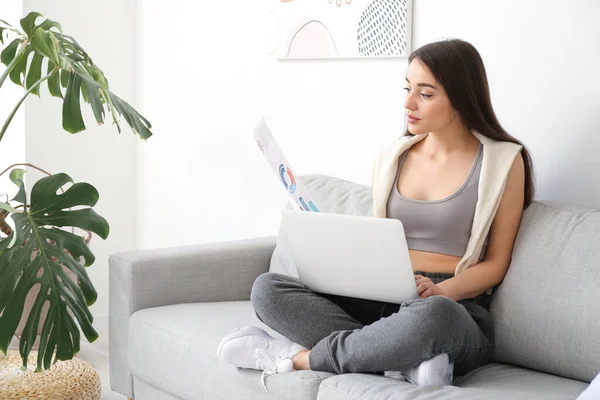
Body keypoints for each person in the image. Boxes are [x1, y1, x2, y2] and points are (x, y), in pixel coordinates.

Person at [217, 39, 535, 392]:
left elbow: (496, 263)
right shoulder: (393, 157)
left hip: (451, 305)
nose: (408, 103)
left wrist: (441, 291)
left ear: (461, 97)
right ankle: (401, 360)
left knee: (429, 317)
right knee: (267, 289)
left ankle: (299, 358)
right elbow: (376, 239)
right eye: (407, 88)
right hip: (379, 296)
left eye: (425, 94)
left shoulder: (504, 161)